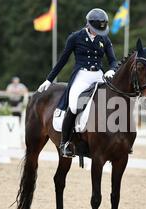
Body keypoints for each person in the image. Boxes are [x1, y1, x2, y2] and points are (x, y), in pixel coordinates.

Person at [36, 8, 118, 158]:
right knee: (74, 105)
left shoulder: (104, 39)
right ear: (88, 25)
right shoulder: (75, 37)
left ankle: (116, 140)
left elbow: (113, 60)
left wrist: (112, 70)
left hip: (98, 75)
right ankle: (65, 143)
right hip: (81, 75)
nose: (97, 33)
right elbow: (63, 60)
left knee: (112, 101)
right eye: (95, 30)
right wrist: (49, 79)